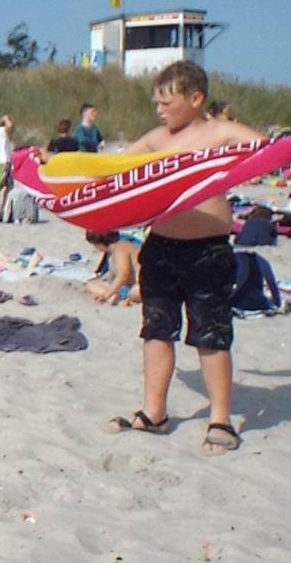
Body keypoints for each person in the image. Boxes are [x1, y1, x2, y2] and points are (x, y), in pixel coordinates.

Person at [108, 60, 264, 453]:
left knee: (211, 335)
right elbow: (112, 169)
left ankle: (220, 419)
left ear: (195, 99)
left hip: (208, 250)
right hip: (161, 247)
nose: (159, 110)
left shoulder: (221, 132)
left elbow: (267, 152)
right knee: (156, 330)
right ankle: (154, 412)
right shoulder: (157, 139)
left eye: (166, 102)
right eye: (156, 102)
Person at [84, 230, 142, 305]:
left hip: (145, 284)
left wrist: (105, 295)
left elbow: (123, 275)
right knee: (91, 284)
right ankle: (117, 298)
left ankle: (119, 298)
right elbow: (111, 274)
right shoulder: (113, 251)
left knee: (135, 292)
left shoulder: (120, 248)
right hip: (131, 285)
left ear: (99, 244)